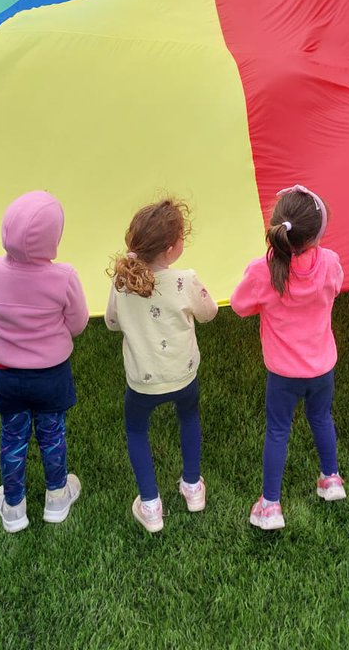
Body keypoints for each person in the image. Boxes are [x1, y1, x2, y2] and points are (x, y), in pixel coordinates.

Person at [230, 184, 346, 531]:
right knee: (321, 418)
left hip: (283, 374)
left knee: (278, 431)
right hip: (322, 367)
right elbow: (336, 286)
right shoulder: (330, 263)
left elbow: (239, 306)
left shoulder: (261, 270)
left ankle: (270, 505)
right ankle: (331, 479)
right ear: (317, 233)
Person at [0, 191, 88, 533]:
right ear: (53, 238)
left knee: (13, 437)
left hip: (8, 375)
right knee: (52, 433)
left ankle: (14, 506)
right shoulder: (64, 276)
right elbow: (79, 321)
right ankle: (57, 496)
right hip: (51, 375)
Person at [104, 199, 217, 533]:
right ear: (171, 249)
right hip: (183, 375)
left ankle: (151, 505)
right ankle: (192, 487)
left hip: (142, 381)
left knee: (137, 431)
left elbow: (111, 322)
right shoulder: (186, 280)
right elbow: (209, 313)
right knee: (189, 418)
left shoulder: (121, 281)